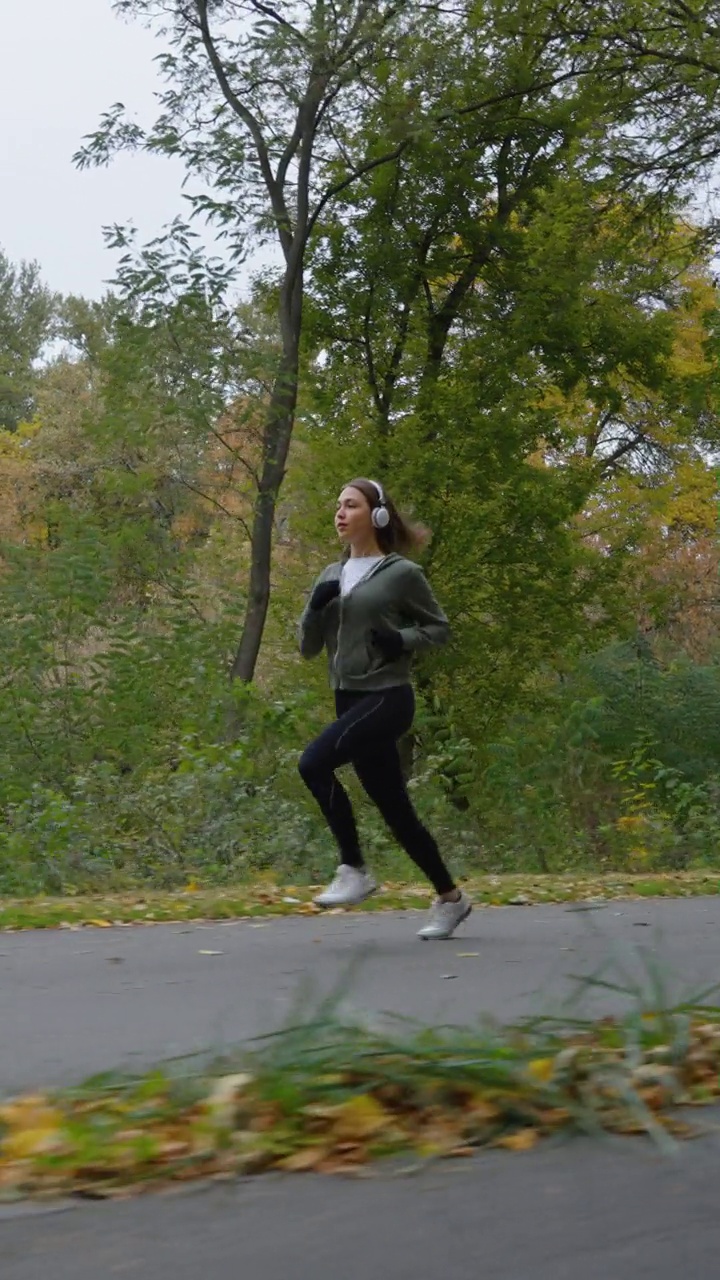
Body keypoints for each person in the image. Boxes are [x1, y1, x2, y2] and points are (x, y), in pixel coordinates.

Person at [297, 477, 471, 941]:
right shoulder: (329, 576)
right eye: (337, 505)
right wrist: (315, 609)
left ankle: (353, 867)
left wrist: (400, 639)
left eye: (350, 505)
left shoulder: (400, 574)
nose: (339, 513)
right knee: (396, 811)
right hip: (348, 698)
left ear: (376, 516)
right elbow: (307, 648)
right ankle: (450, 899)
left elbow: (439, 629)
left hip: (389, 696)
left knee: (312, 763)